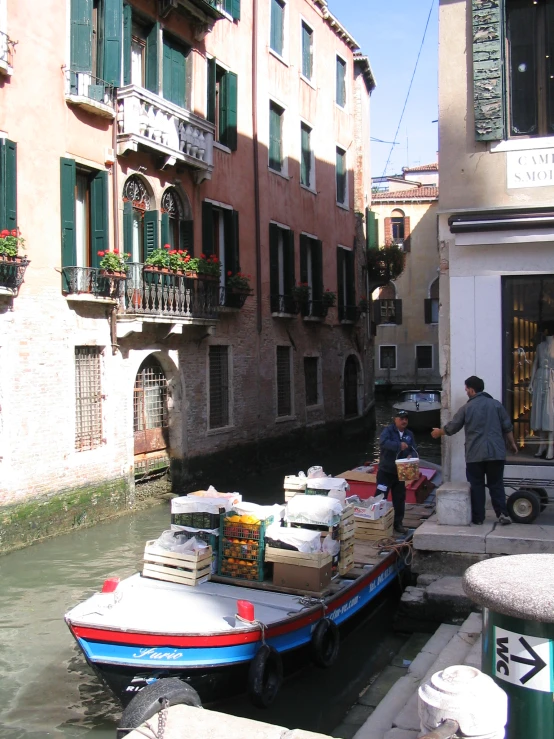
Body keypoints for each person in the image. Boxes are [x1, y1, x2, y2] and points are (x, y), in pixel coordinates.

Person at [431, 376, 518, 526]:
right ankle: (502, 514)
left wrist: (439, 432)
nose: (466, 392)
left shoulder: (467, 408)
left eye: (466, 389)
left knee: (477, 485)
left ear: (472, 389)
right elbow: (507, 427)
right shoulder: (496, 405)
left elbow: (452, 427)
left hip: (474, 455)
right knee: (496, 484)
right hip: (496, 454)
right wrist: (512, 443)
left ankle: (478, 518)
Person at [377, 410, 418, 535]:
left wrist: (411, 453)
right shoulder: (388, 431)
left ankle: (398, 523)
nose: (404, 421)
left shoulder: (409, 434)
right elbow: (383, 443)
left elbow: (414, 448)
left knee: (399, 499)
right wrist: (398, 445)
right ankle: (378, 522)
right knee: (380, 497)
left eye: (406, 419)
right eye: (401, 418)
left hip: (401, 473)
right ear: (395, 419)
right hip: (385, 471)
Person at [529, 327, 554, 459]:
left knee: (549, 415)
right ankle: (542, 445)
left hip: (552, 380)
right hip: (540, 379)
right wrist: (531, 382)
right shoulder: (540, 346)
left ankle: (550, 446)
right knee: (540, 413)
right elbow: (535, 363)